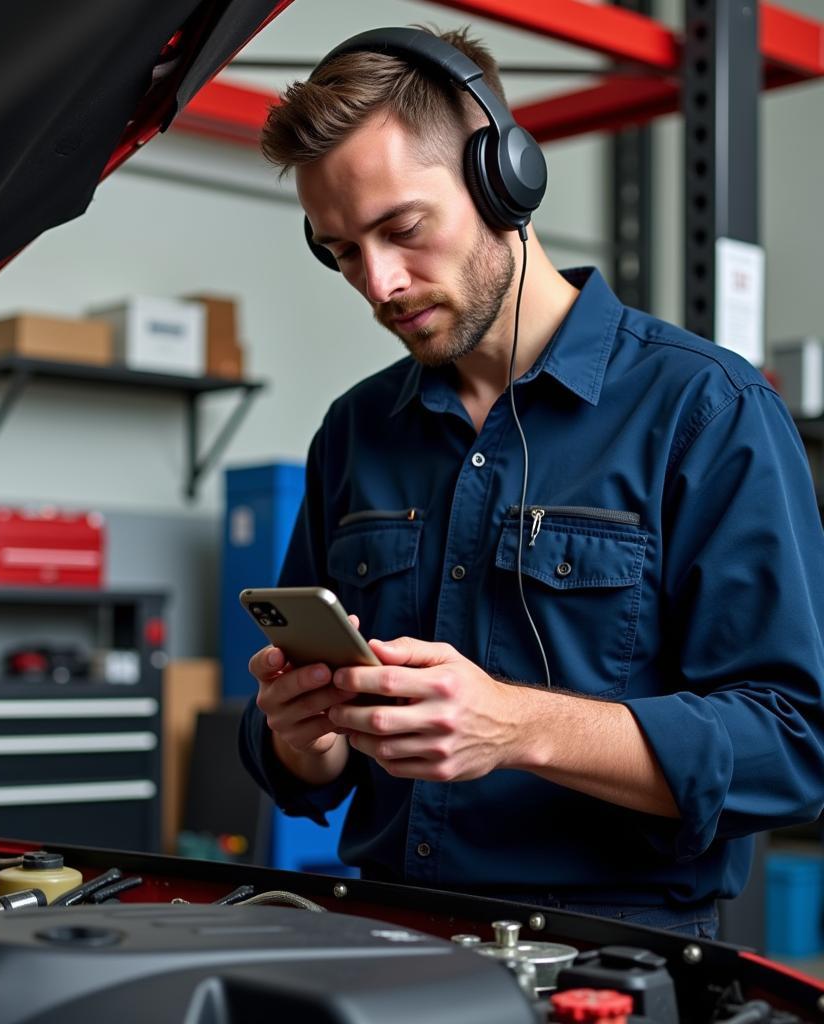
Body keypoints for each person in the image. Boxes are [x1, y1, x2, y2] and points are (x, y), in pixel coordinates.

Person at [238, 25, 824, 938]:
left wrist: (517, 727)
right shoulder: (355, 432)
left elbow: (791, 745)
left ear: (503, 180)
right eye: (343, 251)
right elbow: (306, 767)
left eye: (402, 229)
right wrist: (298, 738)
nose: (380, 284)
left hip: (608, 958)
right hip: (391, 936)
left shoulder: (706, 410)